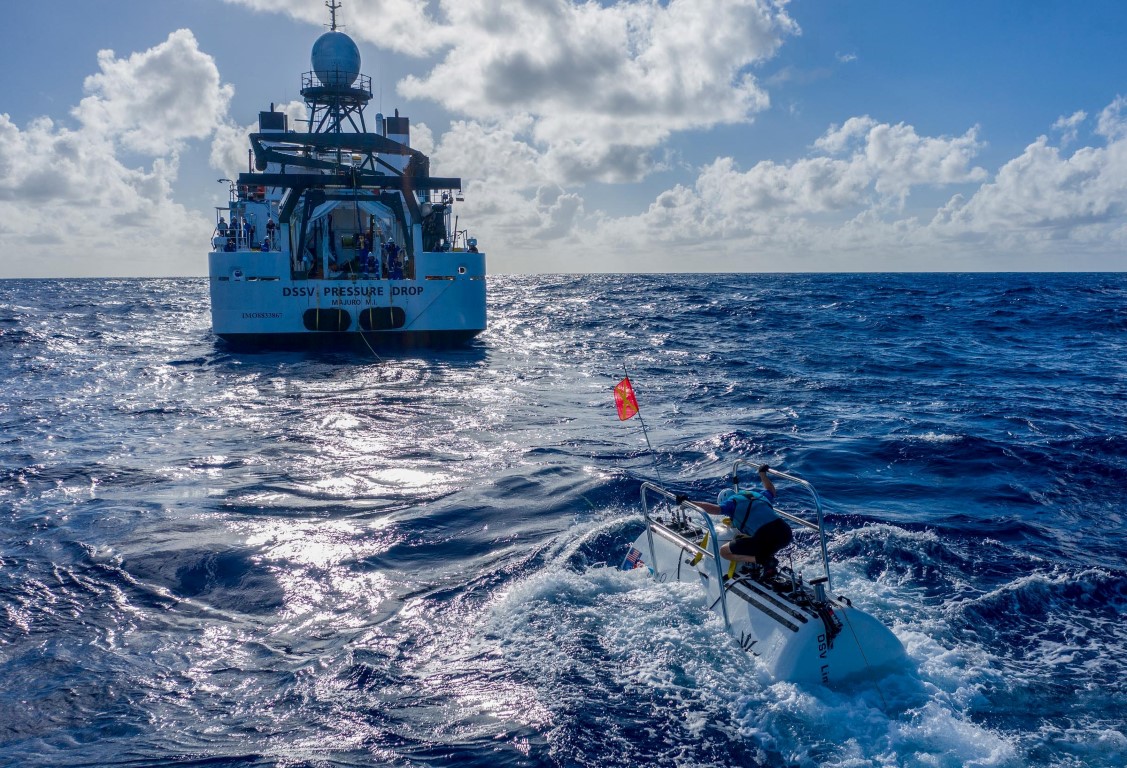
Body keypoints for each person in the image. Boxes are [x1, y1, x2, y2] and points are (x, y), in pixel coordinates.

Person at [688, 465, 792, 577]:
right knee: (765, 544)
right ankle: (768, 564)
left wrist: (690, 503)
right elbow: (771, 490)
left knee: (724, 551)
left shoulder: (731, 504)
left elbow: (714, 509)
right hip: (785, 533)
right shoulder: (757, 496)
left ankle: (764, 561)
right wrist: (762, 474)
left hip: (765, 537)